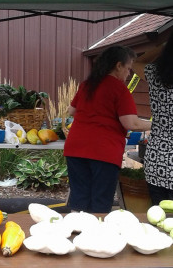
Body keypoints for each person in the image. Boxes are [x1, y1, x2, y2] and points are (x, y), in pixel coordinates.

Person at [63, 45, 151, 213]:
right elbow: (131, 124)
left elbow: (72, 110)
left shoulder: (87, 85)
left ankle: (76, 235)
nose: (128, 74)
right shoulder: (119, 89)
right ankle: (95, 238)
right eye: (128, 69)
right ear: (118, 66)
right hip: (103, 152)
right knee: (100, 202)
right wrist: (158, 124)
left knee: (79, 199)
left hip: (76, 148)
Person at [135, 32, 173, 205]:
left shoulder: (154, 74)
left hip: (157, 161)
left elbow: (136, 62)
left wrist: (163, 45)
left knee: (160, 220)